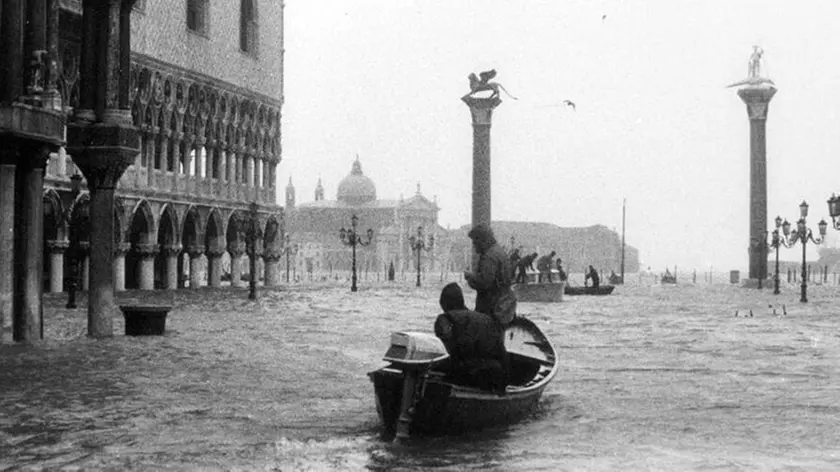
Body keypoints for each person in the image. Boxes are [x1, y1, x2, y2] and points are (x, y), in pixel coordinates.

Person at [434, 283, 508, 393]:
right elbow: (501, 351)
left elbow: (449, 352)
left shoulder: (445, 319)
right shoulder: (486, 319)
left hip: (469, 374)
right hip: (495, 376)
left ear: (444, 304)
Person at [464, 224, 517, 325]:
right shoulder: (499, 251)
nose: (474, 244)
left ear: (483, 240)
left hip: (492, 308)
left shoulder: (489, 256)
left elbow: (484, 283)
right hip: (505, 306)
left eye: (475, 241)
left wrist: (470, 277)